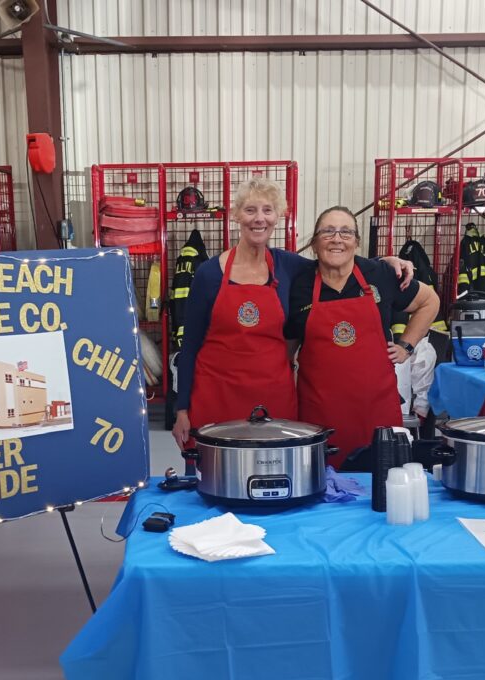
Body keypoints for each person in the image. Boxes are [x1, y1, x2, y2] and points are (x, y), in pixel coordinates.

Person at [171, 178, 413, 449]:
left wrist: (383, 264)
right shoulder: (209, 274)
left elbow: (334, 257)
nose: (259, 219)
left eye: (267, 210)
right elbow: (190, 346)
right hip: (216, 396)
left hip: (273, 400)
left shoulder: (289, 266)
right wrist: (182, 410)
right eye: (250, 210)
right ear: (237, 215)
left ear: (278, 217)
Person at [285, 206, 439, 468]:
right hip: (320, 414)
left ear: (357, 242)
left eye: (346, 232)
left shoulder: (380, 274)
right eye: (327, 232)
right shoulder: (299, 284)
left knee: (380, 483)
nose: (337, 239)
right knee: (323, 485)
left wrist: (406, 346)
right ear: (313, 243)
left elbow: (429, 301)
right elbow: (288, 349)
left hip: (376, 410)